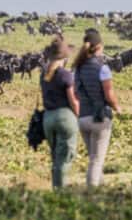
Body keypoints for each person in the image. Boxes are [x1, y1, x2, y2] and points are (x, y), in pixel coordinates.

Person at [74, 29, 121, 187]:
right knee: (96, 160)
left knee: (94, 158)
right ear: (99, 46)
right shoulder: (103, 68)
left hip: (82, 118)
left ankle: (100, 189)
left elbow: (75, 93)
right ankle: (91, 194)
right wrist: (117, 107)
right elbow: (109, 95)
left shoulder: (78, 68)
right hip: (100, 118)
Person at [40, 36, 80, 189]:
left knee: (55, 157)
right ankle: (61, 193)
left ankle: (55, 188)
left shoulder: (44, 74)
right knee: (64, 158)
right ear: (64, 57)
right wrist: (79, 114)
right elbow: (72, 100)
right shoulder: (65, 74)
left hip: (48, 118)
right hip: (64, 117)